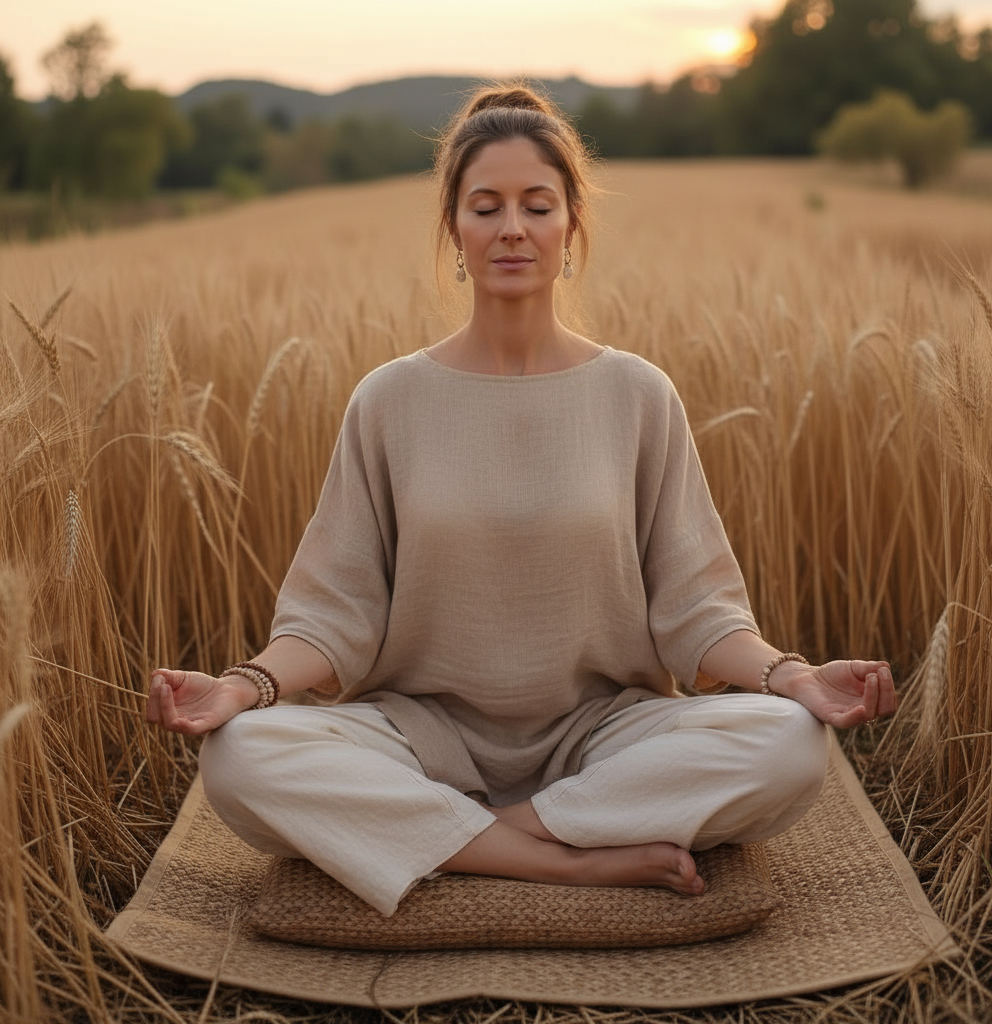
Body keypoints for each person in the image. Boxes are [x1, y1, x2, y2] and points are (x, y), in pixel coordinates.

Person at [147, 84, 896, 918]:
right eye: (486, 206)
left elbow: (697, 611)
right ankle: (567, 859)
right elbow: (336, 614)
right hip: (416, 738)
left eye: (537, 206)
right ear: (454, 230)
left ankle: (471, 838)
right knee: (240, 758)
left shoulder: (636, 394)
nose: (512, 227)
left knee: (790, 745)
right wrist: (242, 688)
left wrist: (794, 679)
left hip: (606, 736)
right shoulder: (389, 400)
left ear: (571, 225)